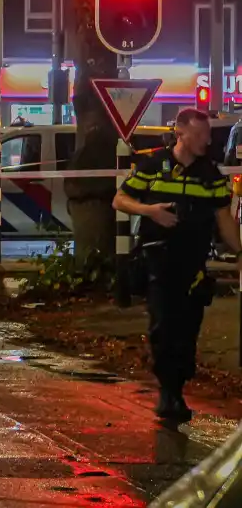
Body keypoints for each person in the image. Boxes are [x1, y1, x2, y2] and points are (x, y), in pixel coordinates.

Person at [113, 108, 242, 422]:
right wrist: (151, 210)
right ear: (179, 132)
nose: (206, 140)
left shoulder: (211, 174)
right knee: (163, 326)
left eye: (208, 134)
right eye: (199, 134)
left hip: (193, 264)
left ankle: (177, 387)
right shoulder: (154, 166)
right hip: (158, 260)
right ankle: (168, 392)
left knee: (187, 329)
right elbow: (120, 200)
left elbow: (224, 219)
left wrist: (240, 253)